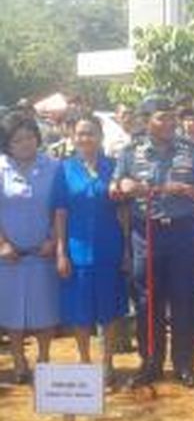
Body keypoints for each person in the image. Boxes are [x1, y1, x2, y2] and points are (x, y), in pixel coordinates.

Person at [111, 96, 194, 389]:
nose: (168, 123)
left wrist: (190, 190)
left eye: (171, 118)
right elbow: (116, 188)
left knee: (185, 299)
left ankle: (184, 365)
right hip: (147, 233)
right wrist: (125, 187)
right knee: (147, 300)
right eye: (161, 118)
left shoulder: (191, 150)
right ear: (145, 120)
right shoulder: (130, 152)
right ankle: (150, 363)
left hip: (184, 232)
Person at [53, 117, 127, 384]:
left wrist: (127, 249)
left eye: (91, 133)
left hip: (109, 248)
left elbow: (123, 211)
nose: (86, 138)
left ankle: (107, 362)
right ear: (73, 137)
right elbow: (60, 213)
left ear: (100, 136)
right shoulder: (64, 169)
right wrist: (61, 251)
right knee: (80, 311)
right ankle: (85, 362)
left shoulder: (114, 167)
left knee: (110, 309)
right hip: (77, 251)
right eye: (81, 133)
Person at [0, 112, 60, 384]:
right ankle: (19, 361)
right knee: (12, 311)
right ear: (7, 144)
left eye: (29, 137)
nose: (25, 143)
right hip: (9, 257)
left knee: (45, 310)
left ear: (37, 138)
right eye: (17, 140)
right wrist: (2, 244)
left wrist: (53, 239)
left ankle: (44, 359)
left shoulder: (54, 167)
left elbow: (61, 208)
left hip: (43, 253)